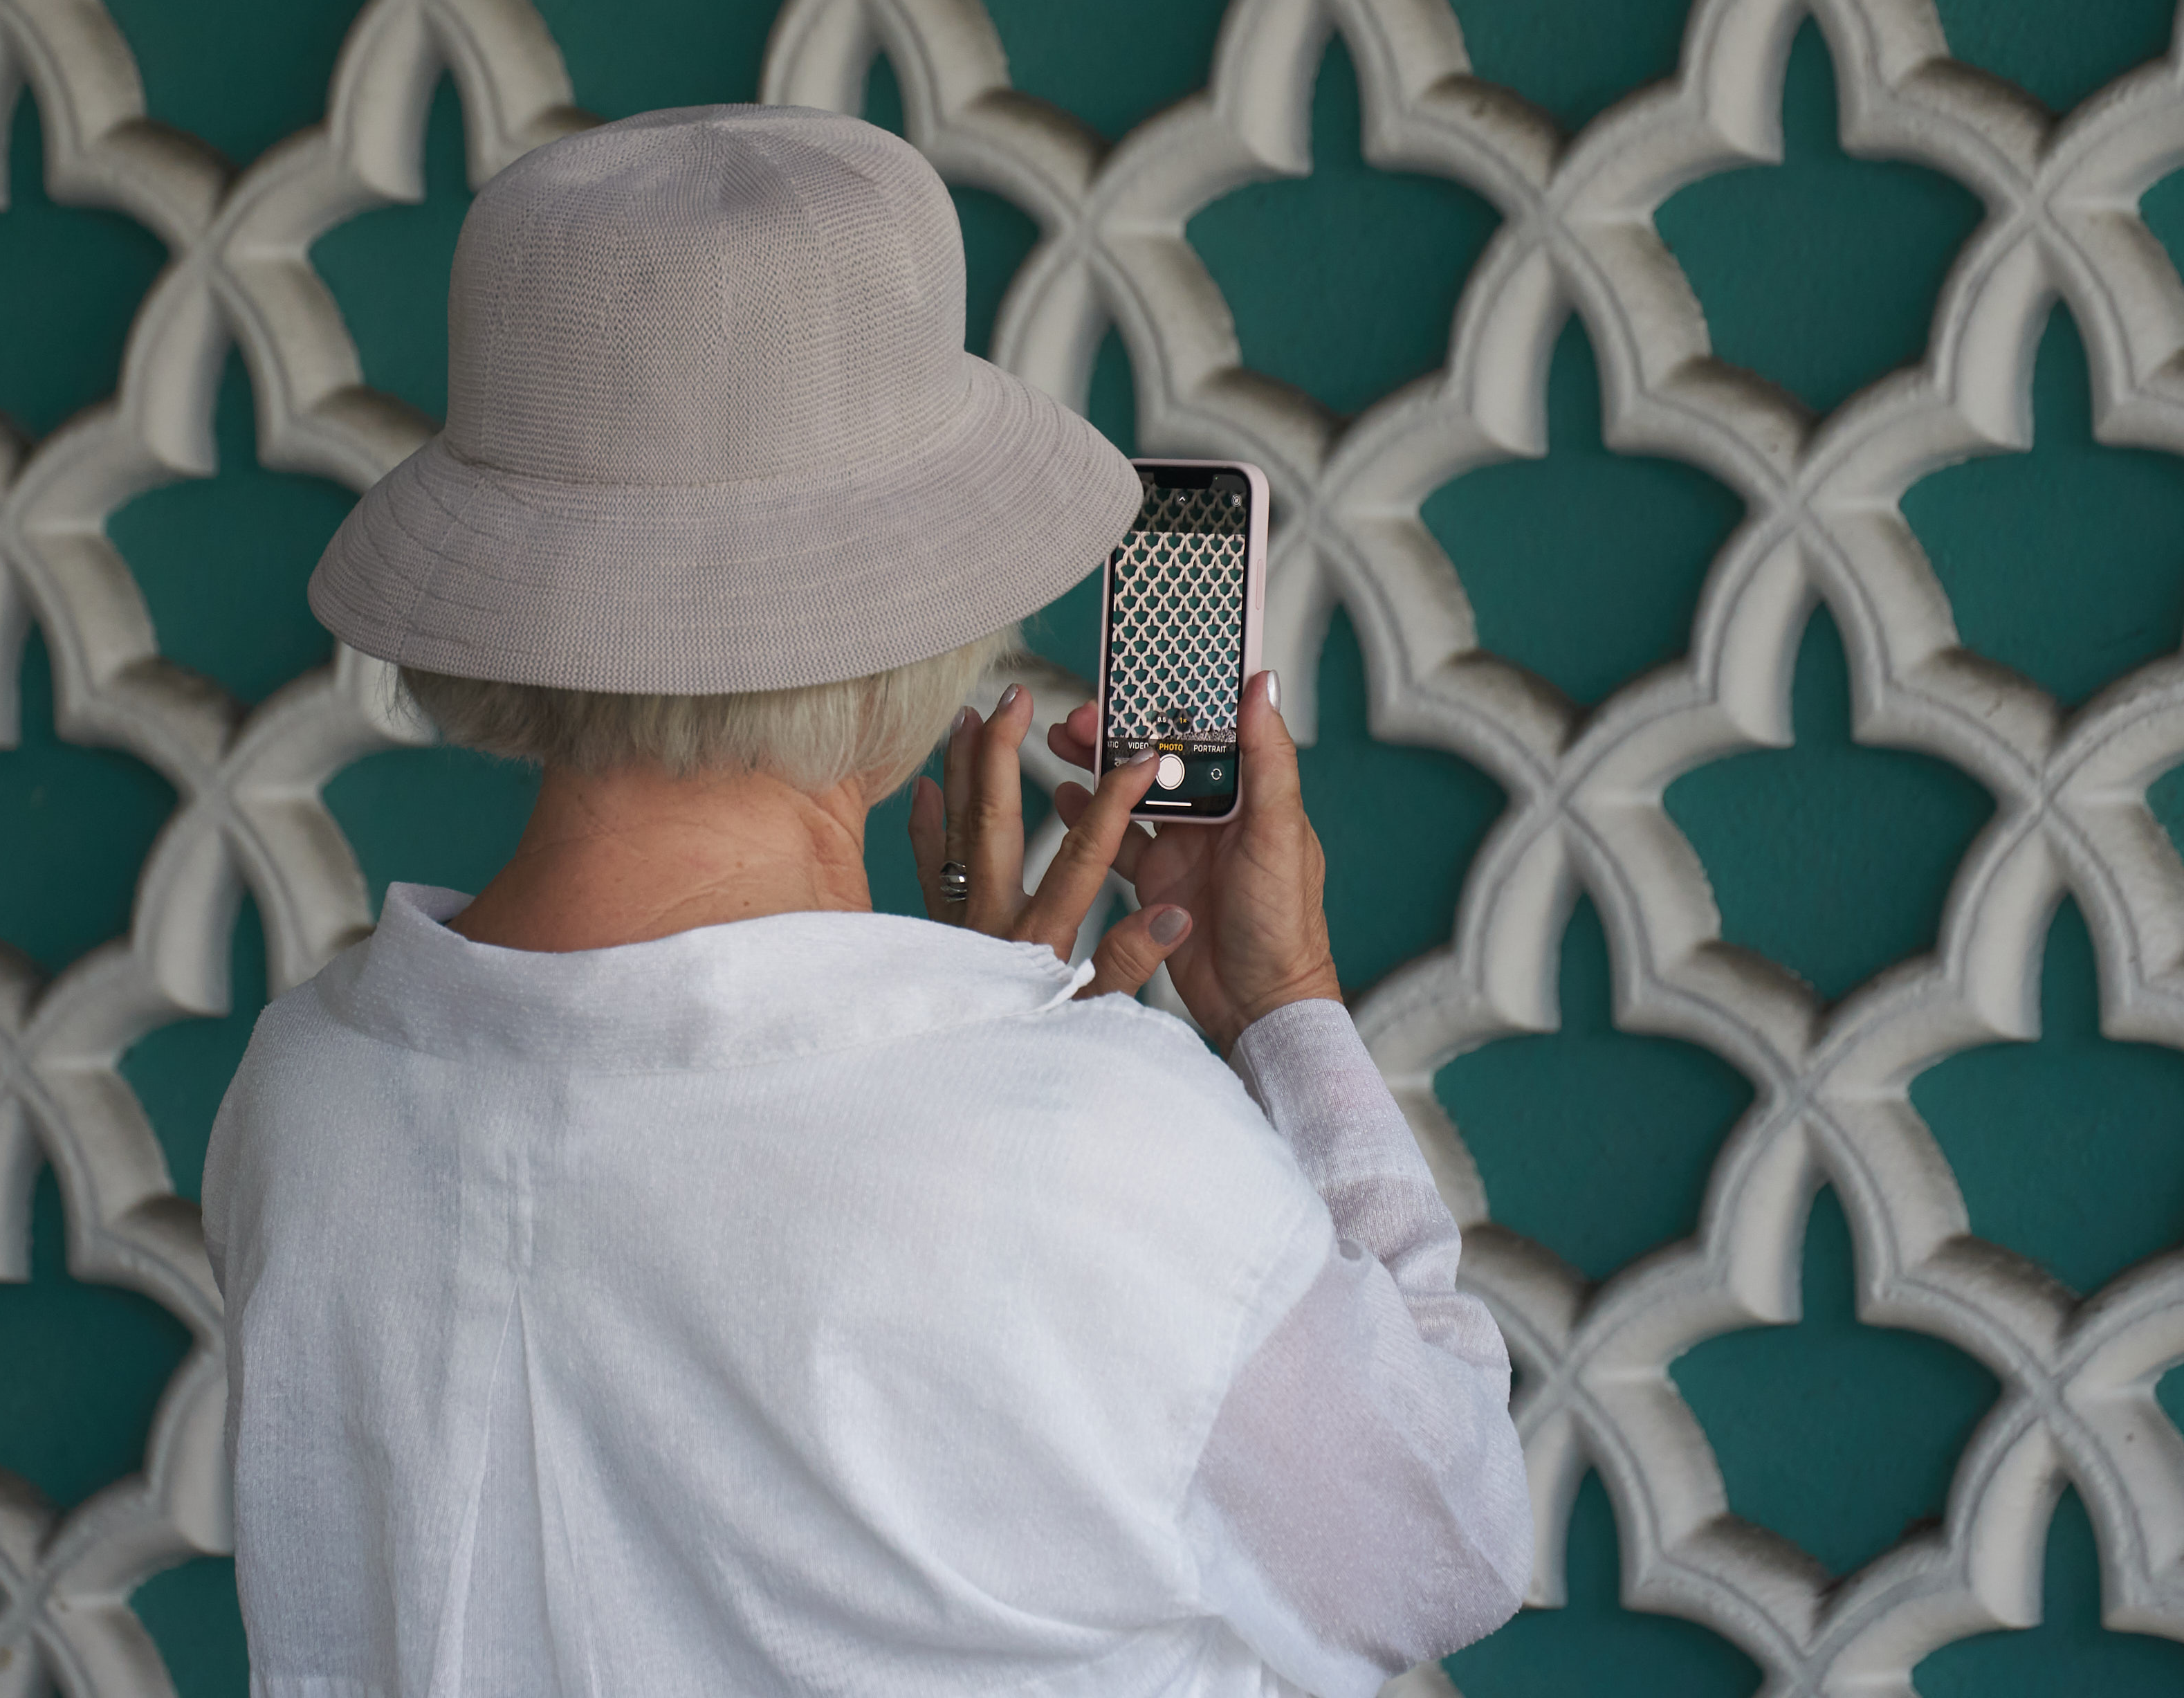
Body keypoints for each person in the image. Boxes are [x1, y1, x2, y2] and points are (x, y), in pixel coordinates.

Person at [202, 102, 1532, 1695]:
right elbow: (1441, 1544)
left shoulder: (306, 1091)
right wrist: (1286, 1013)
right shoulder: (1093, 1153)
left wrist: (976, 1038)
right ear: (913, 602)